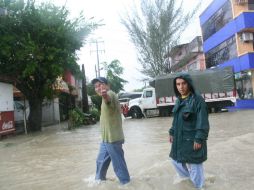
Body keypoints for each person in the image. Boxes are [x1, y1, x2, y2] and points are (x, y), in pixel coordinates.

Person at [168, 73, 210, 189]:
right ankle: (189, 184)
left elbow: (203, 122)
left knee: (195, 165)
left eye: (183, 83)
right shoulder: (179, 101)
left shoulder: (197, 100)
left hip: (193, 140)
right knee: (175, 161)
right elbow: (176, 120)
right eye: (178, 84)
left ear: (189, 83)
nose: (181, 87)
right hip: (179, 139)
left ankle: (199, 186)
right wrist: (172, 132)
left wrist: (199, 138)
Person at [91, 77, 130, 185]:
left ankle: (126, 184)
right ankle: (99, 182)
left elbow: (108, 100)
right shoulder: (105, 97)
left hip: (113, 139)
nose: (98, 88)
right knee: (100, 162)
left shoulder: (110, 94)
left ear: (108, 85)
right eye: (96, 87)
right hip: (106, 139)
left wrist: (105, 96)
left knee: (118, 165)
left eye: (100, 85)